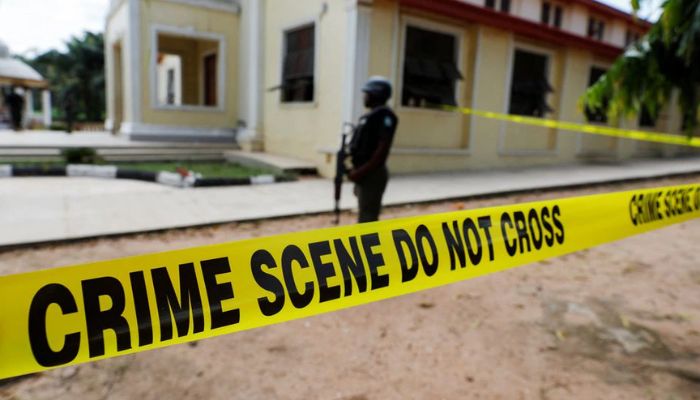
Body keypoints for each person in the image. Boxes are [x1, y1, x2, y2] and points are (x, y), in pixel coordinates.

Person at [348, 76, 399, 223]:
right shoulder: (371, 115)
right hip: (365, 172)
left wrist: (360, 172)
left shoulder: (385, 116)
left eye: (367, 94)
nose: (364, 97)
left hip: (372, 173)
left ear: (376, 94)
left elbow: (381, 151)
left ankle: (368, 244)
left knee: (368, 217)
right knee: (364, 212)